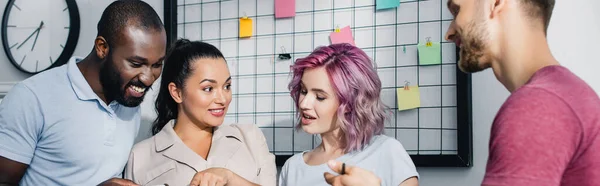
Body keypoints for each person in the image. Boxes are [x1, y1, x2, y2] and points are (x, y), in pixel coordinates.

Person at [0, 0, 166, 185]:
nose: (148, 78)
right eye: (136, 64)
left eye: (157, 64)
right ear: (102, 48)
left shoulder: (128, 100)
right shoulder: (31, 98)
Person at [444, 0, 600, 185]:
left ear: (495, 3)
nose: (449, 33)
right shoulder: (566, 95)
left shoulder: (538, 107)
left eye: (456, 10)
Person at [124, 39, 276, 186]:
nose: (223, 99)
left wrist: (230, 179)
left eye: (227, 86)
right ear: (177, 93)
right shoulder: (140, 157)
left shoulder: (250, 138)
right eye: (208, 88)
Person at [278, 43, 419, 186]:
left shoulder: (387, 151)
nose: (303, 104)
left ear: (350, 103)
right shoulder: (292, 168)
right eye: (303, 91)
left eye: (320, 96)